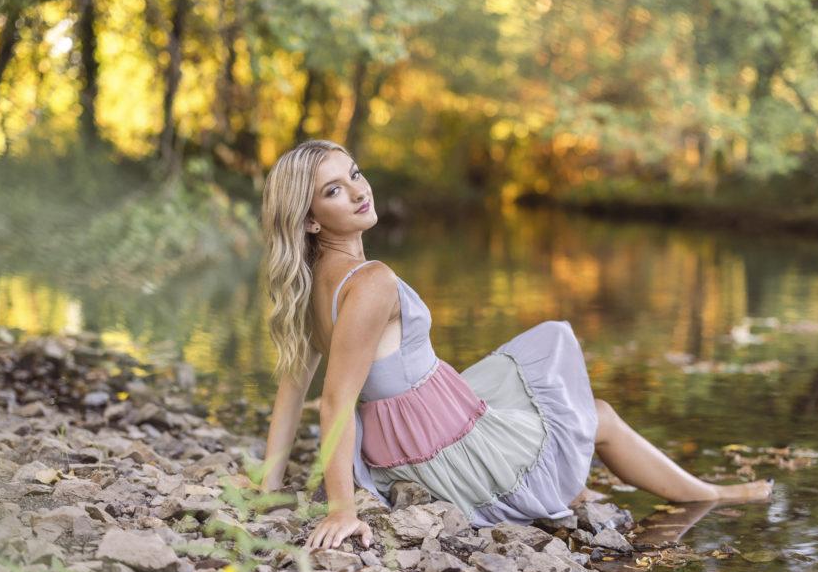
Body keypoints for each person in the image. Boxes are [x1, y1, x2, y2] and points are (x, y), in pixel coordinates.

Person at [259, 140, 772, 550]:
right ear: (309, 220)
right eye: (333, 190)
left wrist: (267, 490)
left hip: (407, 427)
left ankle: (595, 485)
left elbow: (291, 392)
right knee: (600, 417)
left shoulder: (308, 282)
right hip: (431, 445)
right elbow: (335, 401)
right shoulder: (370, 282)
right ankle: (711, 496)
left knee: (535, 391)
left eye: (354, 173)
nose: (356, 190)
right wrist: (341, 509)